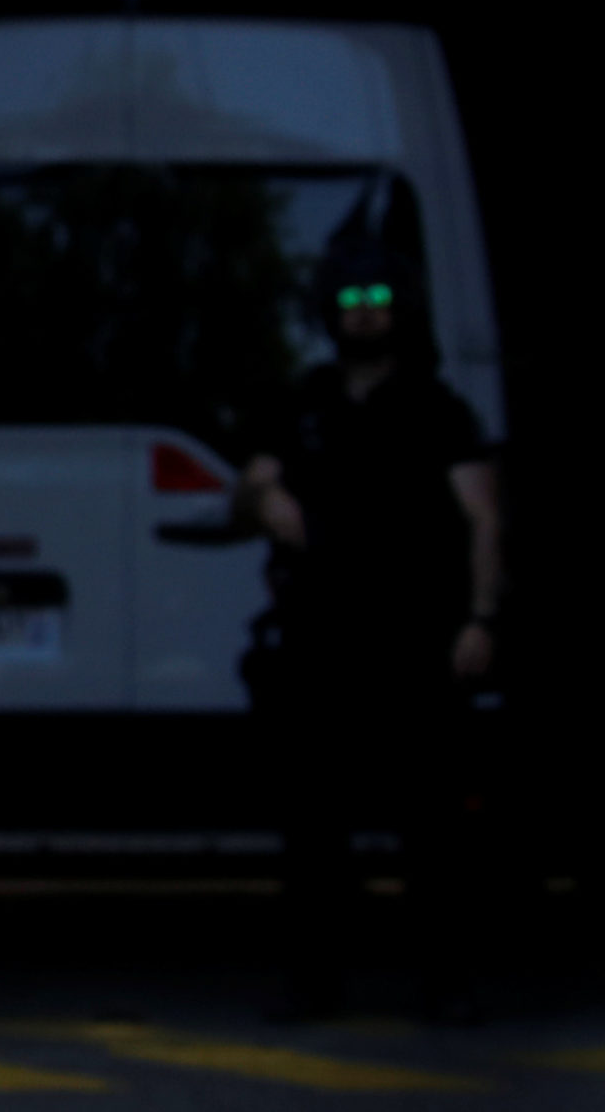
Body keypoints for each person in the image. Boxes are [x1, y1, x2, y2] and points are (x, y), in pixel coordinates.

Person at [236, 245, 505, 1021]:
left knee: (432, 828)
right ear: (330, 307)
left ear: (401, 307)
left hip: (417, 641)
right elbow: (244, 492)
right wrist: (261, 493)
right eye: (351, 294)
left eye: (379, 293)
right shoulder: (303, 403)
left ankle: (447, 986)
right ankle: (315, 986)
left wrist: (481, 619)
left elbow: (482, 516)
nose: (364, 306)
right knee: (315, 829)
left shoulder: (437, 406)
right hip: (321, 643)